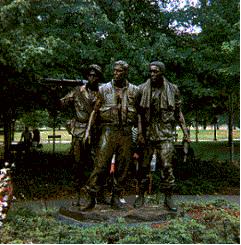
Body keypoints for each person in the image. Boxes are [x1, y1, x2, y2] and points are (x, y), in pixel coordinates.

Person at [82, 60, 140, 211]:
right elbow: (95, 111)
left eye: (119, 71)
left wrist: (140, 132)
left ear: (126, 72)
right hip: (108, 130)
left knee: (122, 166)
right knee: (101, 165)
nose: (116, 73)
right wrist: (88, 131)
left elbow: (139, 114)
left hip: (126, 132)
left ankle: (116, 197)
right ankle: (91, 196)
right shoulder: (104, 89)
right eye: (114, 70)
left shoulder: (135, 90)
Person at [134, 61, 190, 212]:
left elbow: (178, 112)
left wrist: (185, 132)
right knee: (144, 167)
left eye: (155, 72)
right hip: (147, 134)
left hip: (165, 133)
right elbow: (138, 113)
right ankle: (140, 194)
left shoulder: (173, 89)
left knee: (167, 166)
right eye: (151, 71)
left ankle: (168, 197)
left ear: (162, 73)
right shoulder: (141, 89)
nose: (152, 74)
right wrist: (139, 132)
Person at [60, 64, 104, 206]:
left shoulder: (103, 92)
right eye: (90, 75)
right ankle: (77, 194)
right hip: (79, 131)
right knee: (78, 164)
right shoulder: (77, 91)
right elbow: (62, 103)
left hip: (96, 131)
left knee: (98, 164)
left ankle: (96, 193)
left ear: (98, 78)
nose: (92, 77)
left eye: (95, 75)